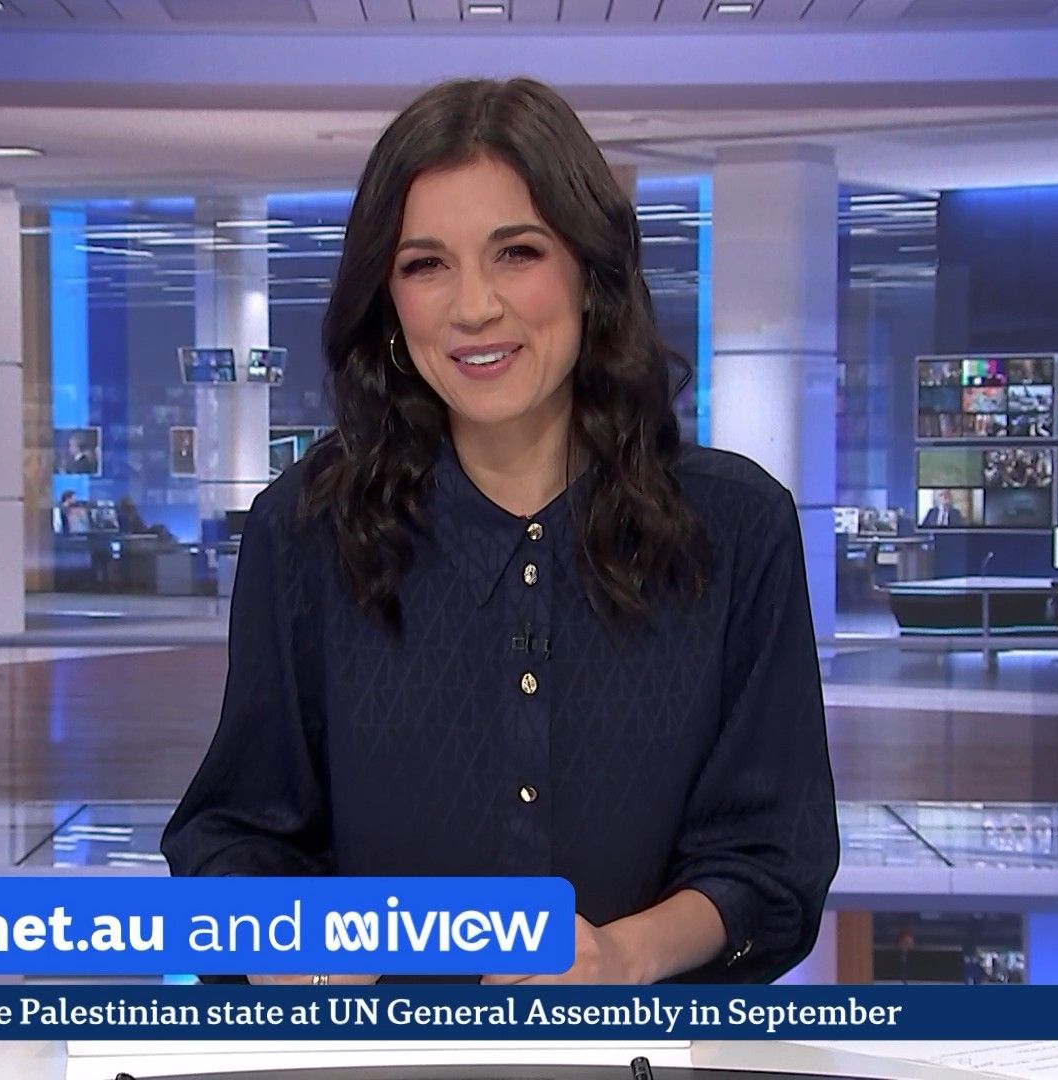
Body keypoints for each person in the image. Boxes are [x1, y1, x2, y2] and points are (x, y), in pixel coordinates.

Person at [161, 77, 837, 986]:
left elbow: (770, 860)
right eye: (426, 265)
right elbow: (232, 836)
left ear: (590, 273)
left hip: (644, 1045)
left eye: (516, 253)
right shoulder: (306, 529)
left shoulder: (737, 528)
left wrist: (624, 956)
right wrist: (291, 943)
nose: (473, 307)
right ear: (388, 299)